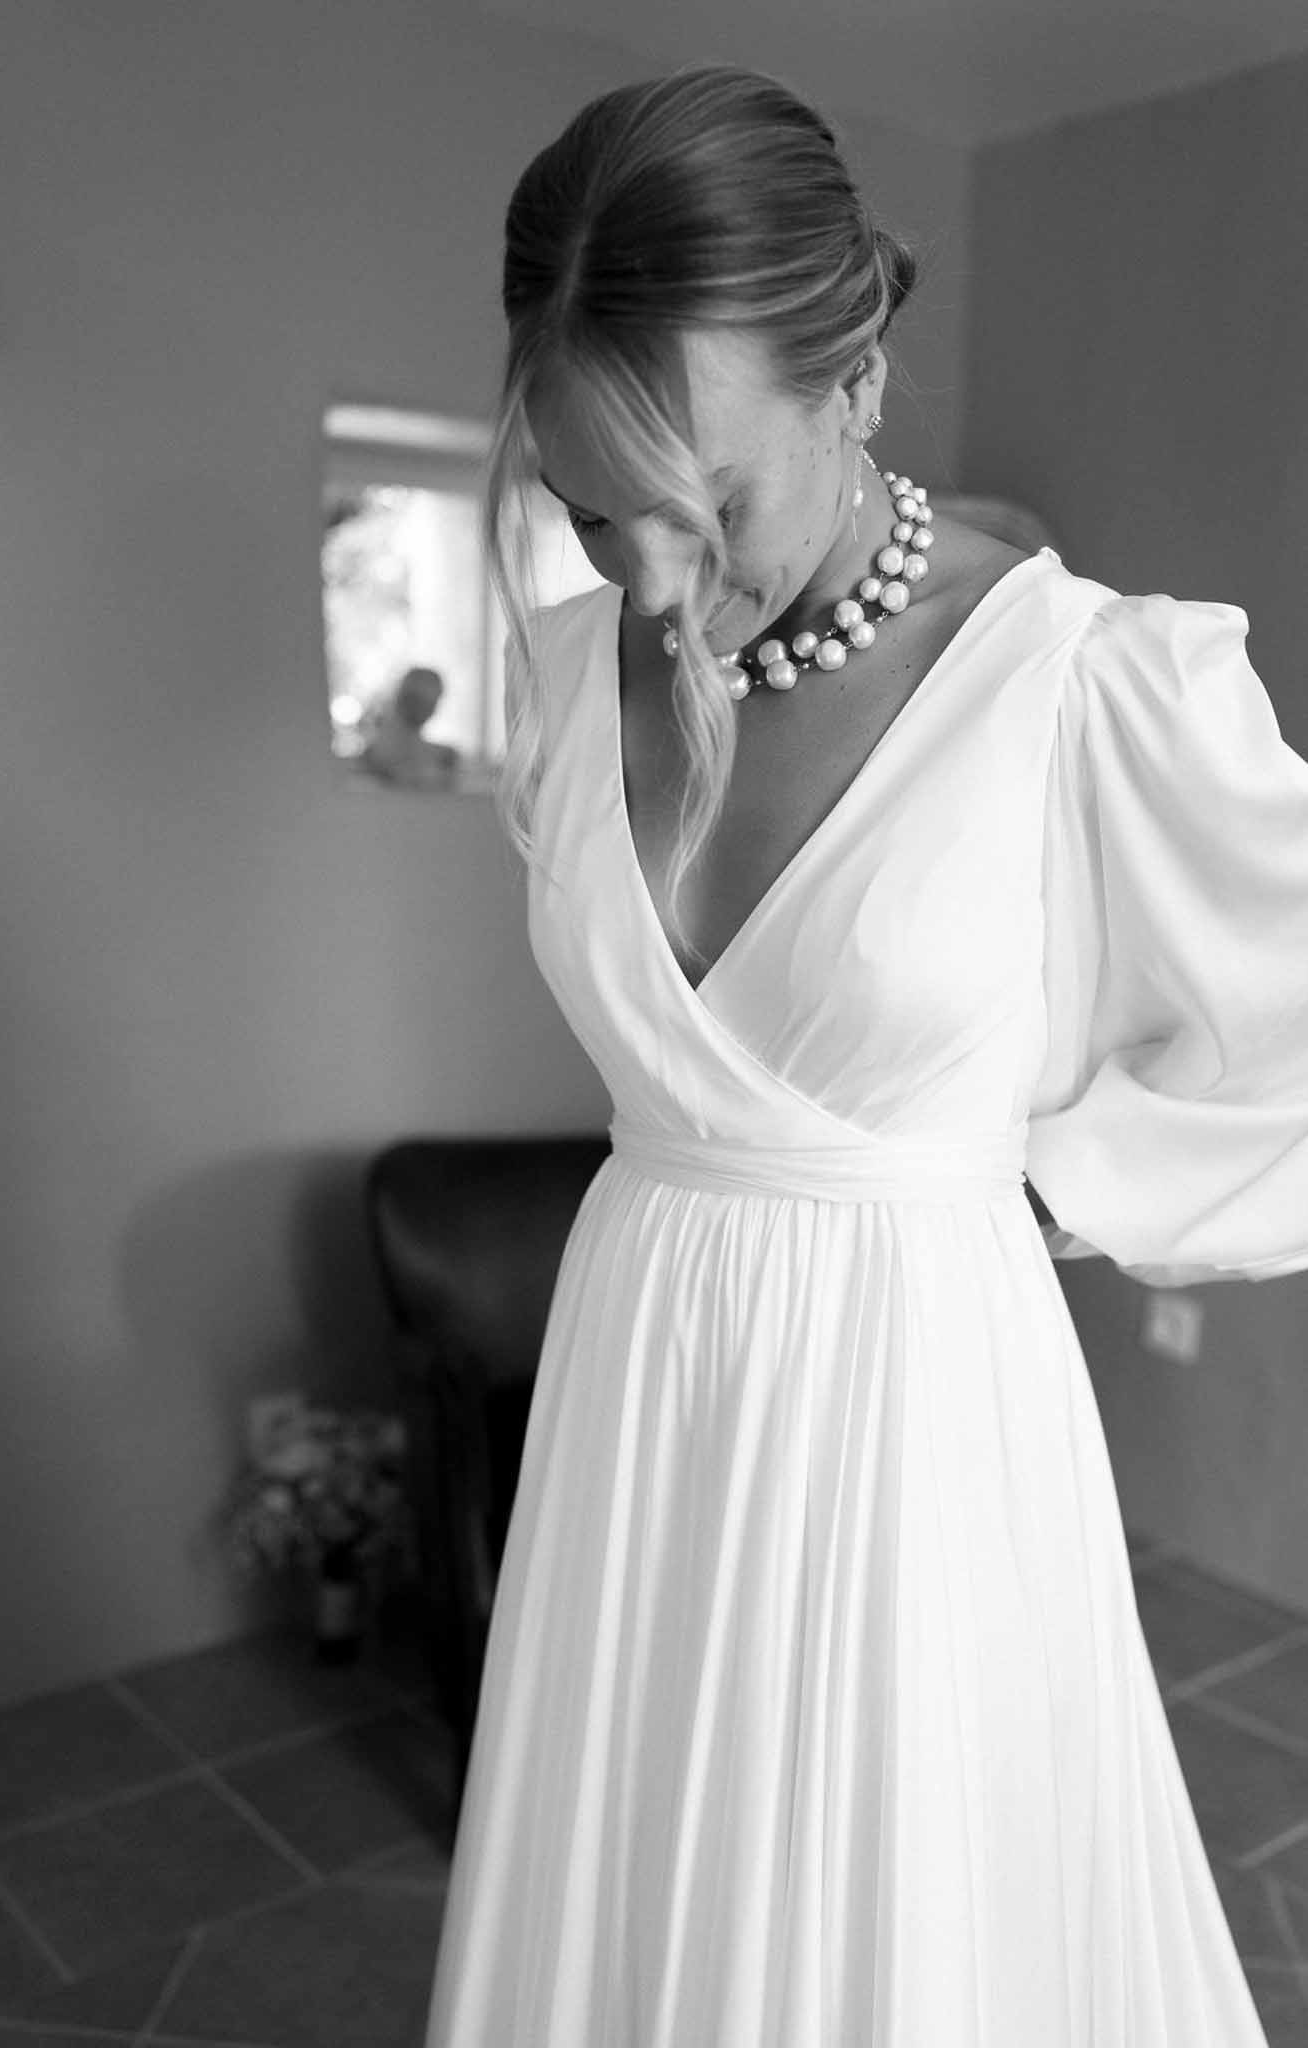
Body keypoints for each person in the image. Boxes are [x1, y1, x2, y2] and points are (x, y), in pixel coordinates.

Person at [423, 63, 1308, 2046]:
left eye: (703, 501)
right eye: (584, 512)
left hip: (909, 1407)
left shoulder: (1081, 677)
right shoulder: (570, 674)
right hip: (635, 1371)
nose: (648, 585)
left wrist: (1047, 1180)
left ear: (857, 387)